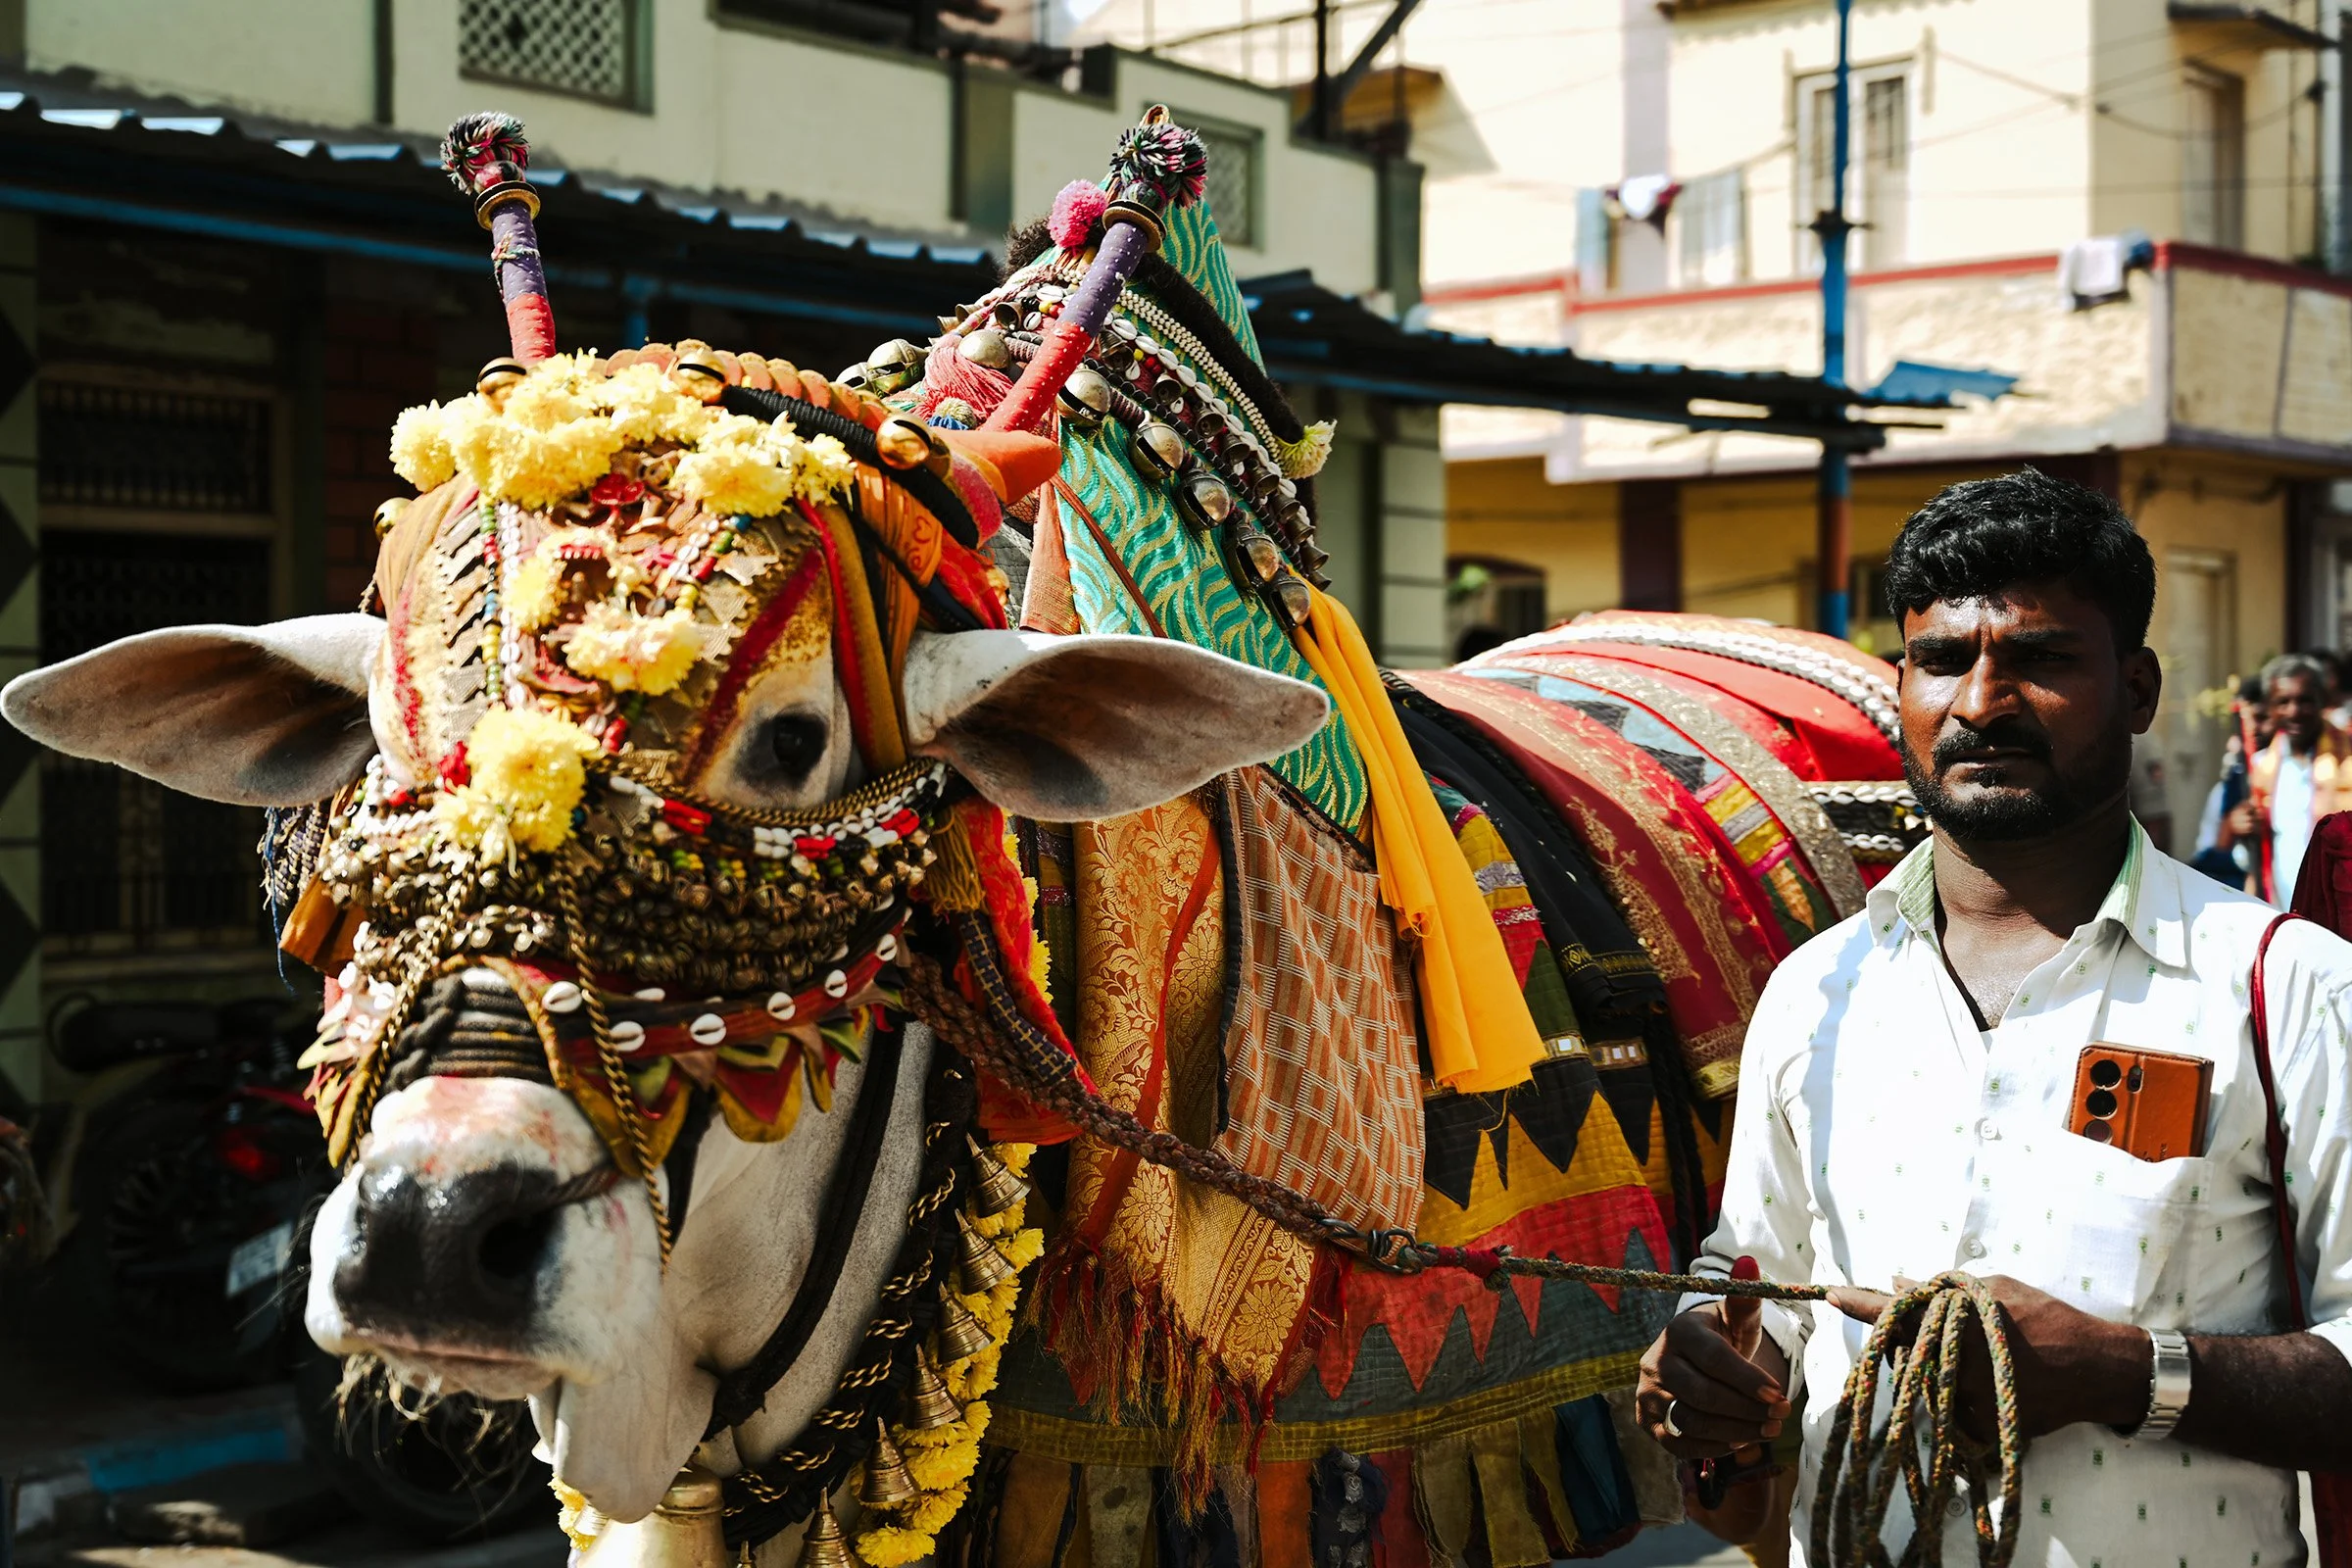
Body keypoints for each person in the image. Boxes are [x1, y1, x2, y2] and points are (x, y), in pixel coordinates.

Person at [1636, 468, 2352, 1564]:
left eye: (2041, 658)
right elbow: (1755, 1287)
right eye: (1942, 660)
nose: (1980, 702)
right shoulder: (1817, 992)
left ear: (2139, 686)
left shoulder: (2284, 984)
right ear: (1904, 684)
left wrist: (2125, 1374)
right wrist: (1712, 1372)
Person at [2224, 653, 2352, 906]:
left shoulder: (2347, 758)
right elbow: (2242, 850)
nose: (2294, 711)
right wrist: (2235, 824)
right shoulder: (2261, 767)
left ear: (2321, 701)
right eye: (2283, 702)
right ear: (2271, 707)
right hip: (2283, 913)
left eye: (2305, 700)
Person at [2189, 671, 2265, 888]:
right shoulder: (2227, 787)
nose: (2253, 729)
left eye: (2261, 718)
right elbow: (2207, 858)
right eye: (2245, 720)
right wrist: (2229, 828)